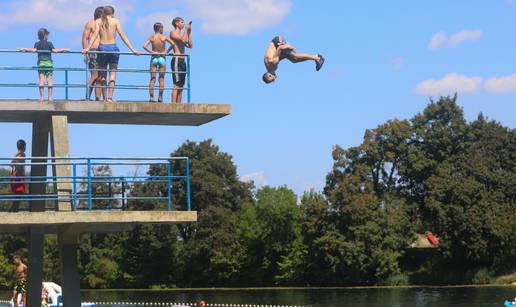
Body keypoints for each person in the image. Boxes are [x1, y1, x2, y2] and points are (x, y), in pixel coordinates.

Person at [83, 5, 140, 102]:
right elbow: (123, 36)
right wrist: (133, 49)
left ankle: (104, 98)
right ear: (112, 13)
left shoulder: (98, 21)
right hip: (113, 48)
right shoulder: (116, 21)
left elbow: (95, 35)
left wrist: (87, 48)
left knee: (103, 75)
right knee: (112, 74)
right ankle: (109, 97)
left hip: (102, 48)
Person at [18, 28, 69, 102]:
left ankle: (42, 97)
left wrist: (23, 49)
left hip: (41, 63)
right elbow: (55, 50)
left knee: (41, 80)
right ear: (45, 35)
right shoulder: (49, 43)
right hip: (49, 64)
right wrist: (64, 49)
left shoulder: (37, 43)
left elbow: (33, 50)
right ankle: (50, 97)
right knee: (50, 81)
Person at [143, 22, 177, 103]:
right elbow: (173, 44)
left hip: (154, 58)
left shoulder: (152, 37)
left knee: (152, 79)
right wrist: (166, 52)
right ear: (160, 28)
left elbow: (144, 46)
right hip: (162, 58)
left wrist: (152, 52)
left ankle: (151, 98)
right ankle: (160, 97)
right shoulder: (163, 37)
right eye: (162, 28)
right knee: (161, 79)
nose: (163, 30)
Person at [168, 17, 192, 103]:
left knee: (181, 85)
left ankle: (179, 104)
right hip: (177, 60)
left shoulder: (183, 35)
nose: (183, 24)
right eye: (181, 22)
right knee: (176, 84)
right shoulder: (173, 33)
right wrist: (186, 30)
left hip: (183, 61)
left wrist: (189, 33)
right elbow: (182, 40)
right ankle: (173, 104)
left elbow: (190, 45)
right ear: (176, 23)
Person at [82, 6, 104, 101]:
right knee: (94, 76)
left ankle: (98, 98)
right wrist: (85, 52)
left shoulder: (104, 25)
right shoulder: (91, 23)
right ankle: (87, 97)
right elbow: (84, 38)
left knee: (99, 77)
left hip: (102, 52)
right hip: (93, 51)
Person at [9, 140, 27, 212]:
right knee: (18, 194)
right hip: (18, 176)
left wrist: (12, 174)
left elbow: (11, 166)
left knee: (17, 195)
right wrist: (21, 175)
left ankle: (13, 210)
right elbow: (20, 167)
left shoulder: (15, 155)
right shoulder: (22, 155)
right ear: (24, 146)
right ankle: (13, 211)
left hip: (14, 176)